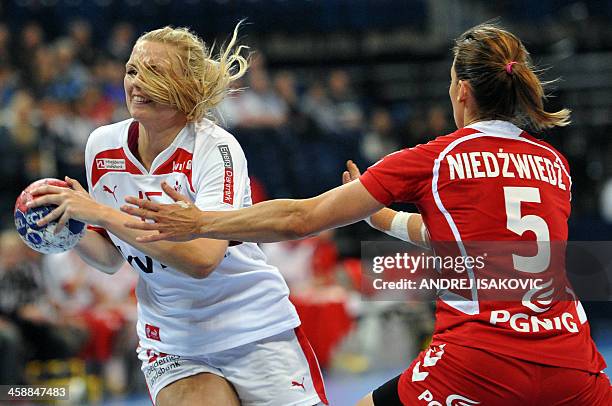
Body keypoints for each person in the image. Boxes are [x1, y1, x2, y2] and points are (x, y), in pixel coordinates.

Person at [119, 23, 611, 405]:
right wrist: (384, 221)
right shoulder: (555, 165)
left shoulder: (437, 158)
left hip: (481, 357)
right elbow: (469, 240)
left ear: (461, 91)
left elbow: (301, 219)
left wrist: (202, 222)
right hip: (571, 357)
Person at [27, 24, 328, 406]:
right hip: (172, 340)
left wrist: (101, 213)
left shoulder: (216, 148)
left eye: (155, 72)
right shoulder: (102, 146)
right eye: (132, 70)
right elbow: (108, 258)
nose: (136, 83)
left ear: (187, 86)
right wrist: (64, 227)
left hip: (251, 329)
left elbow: (202, 259)